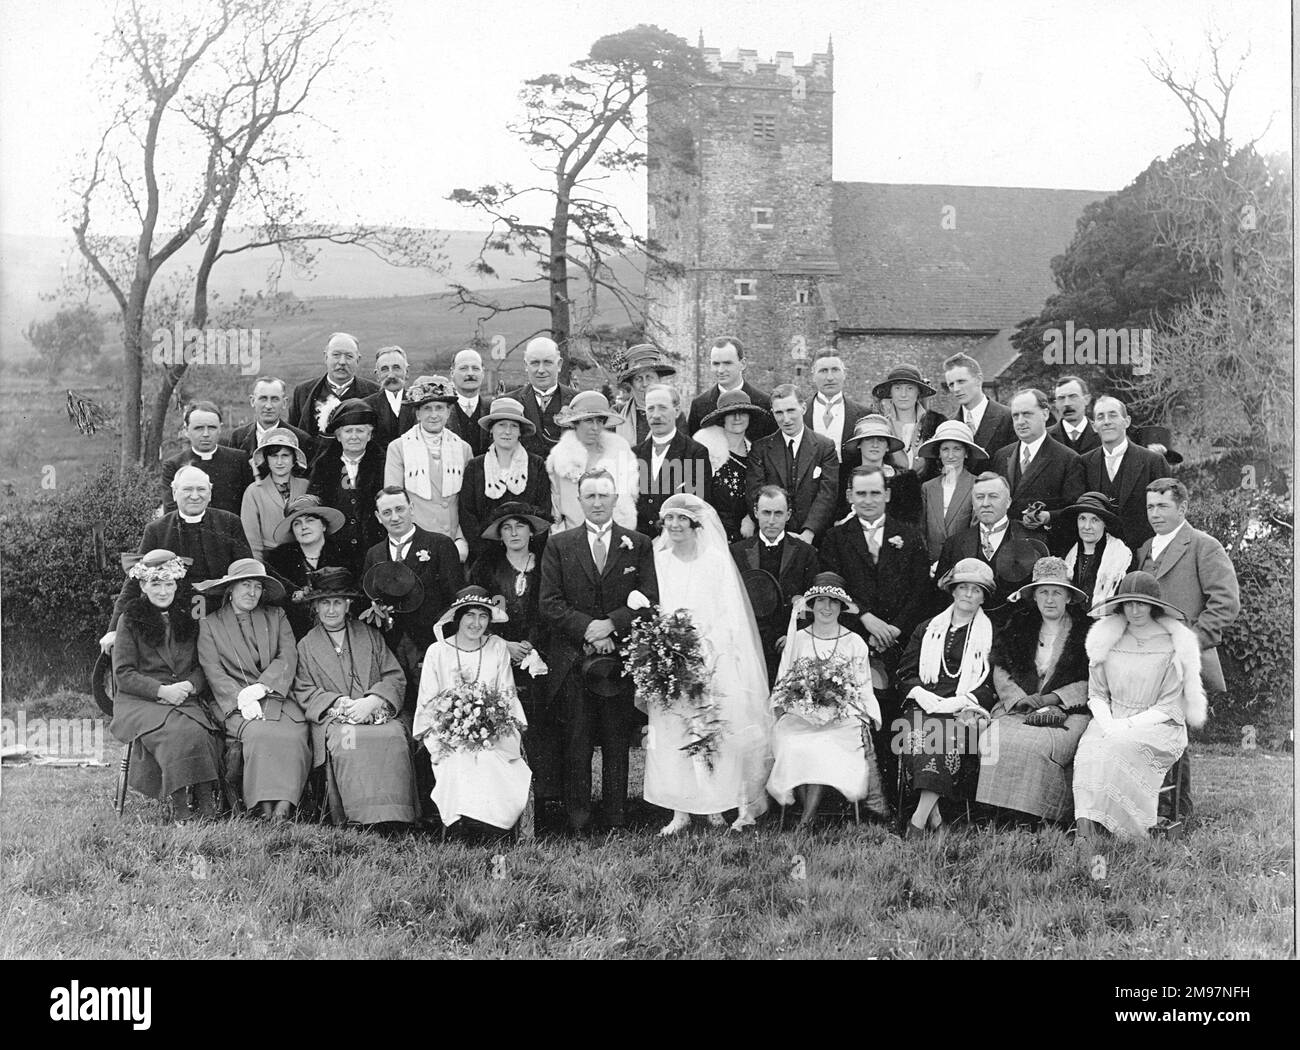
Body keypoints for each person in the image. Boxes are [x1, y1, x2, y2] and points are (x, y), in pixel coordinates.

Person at [538, 469, 659, 833]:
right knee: (577, 741)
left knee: (616, 740)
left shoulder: (637, 543)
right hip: (575, 660)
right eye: (589, 496)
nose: (597, 502)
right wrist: (588, 628)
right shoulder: (560, 544)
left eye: (603, 495)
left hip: (619, 662)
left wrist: (612, 625)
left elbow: (650, 600)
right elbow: (549, 602)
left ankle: (616, 818)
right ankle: (578, 819)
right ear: (579, 501)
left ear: (616, 499)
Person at [646, 493, 773, 834]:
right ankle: (681, 811)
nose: (674, 525)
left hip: (711, 656)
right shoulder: (659, 559)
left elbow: (729, 613)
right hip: (671, 658)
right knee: (675, 730)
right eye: (669, 519)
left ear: (694, 523)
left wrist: (705, 650)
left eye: (681, 519)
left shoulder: (715, 560)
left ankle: (716, 804)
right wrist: (668, 650)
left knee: (712, 728)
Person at [1134, 477, 1240, 824]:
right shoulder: (1145, 549)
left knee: (1172, 729)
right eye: (1150, 506)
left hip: (1184, 659)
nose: (1155, 513)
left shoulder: (1203, 545)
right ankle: (1152, 805)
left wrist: (1189, 645)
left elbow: (1225, 603)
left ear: (1183, 508)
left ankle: (1178, 809)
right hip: (1146, 656)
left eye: (1163, 506)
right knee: (1148, 730)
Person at [819, 465, 931, 789]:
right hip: (854, 636)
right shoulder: (836, 537)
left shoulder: (909, 535)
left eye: (875, 493)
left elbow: (920, 590)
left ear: (888, 495)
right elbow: (831, 590)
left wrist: (895, 628)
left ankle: (900, 789)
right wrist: (864, 616)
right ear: (850, 496)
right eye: (861, 493)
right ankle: (861, 787)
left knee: (901, 705)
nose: (868, 500)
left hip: (901, 641)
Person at [1073, 571, 1206, 839]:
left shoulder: (1171, 644)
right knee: (1089, 750)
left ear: (1153, 606)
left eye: (1141, 603)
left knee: (1120, 747)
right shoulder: (1106, 640)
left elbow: (1170, 704)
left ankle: (1127, 831)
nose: (1134, 610)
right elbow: (1096, 693)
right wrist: (1109, 723)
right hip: (1110, 719)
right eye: (1129, 603)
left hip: (1159, 724)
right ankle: (1087, 830)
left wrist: (1129, 725)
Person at [291, 567, 417, 829]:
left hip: (376, 711)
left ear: (348, 604)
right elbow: (303, 689)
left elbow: (394, 677)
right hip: (338, 718)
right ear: (315, 606)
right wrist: (338, 702)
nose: (331, 610)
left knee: (394, 737)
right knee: (349, 743)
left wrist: (372, 700)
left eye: (337, 602)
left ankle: (396, 816)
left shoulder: (369, 635)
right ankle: (356, 817)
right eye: (324, 603)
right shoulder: (305, 645)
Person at [975, 557, 1091, 825]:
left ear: (1068, 597)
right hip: (1017, 709)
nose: (1050, 599)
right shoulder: (1018, 624)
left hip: (1067, 713)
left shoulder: (1086, 631)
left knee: (1038, 745)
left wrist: (1053, 698)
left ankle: (1036, 816)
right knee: (996, 740)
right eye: (1043, 592)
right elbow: (1000, 669)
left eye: (1057, 592)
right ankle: (996, 815)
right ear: (1035, 596)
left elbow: (1094, 678)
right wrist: (1019, 699)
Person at [109, 550, 222, 820]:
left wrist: (190, 686)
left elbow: (202, 664)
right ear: (143, 585)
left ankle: (206, 803)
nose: (163, 591)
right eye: (156, 584)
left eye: (169, 583)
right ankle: (182, 806)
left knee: (201, 731)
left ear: (177, 584)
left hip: (184, 696)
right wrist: (160, 691)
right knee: (176, 732)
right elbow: (123, 673)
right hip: (142, 700)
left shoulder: (190, 616)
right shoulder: (129, 619)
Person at [766, 573, 885, 829]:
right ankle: (809, 815)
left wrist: (848, 709)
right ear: (812, 604)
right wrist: (793, 705)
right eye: (821, 600)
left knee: (823, 744)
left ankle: (807, 820)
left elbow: (862, 685)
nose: (827, 607)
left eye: (833, 601)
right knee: (792, 743)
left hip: (841, 717)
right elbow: (784, 680)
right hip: (801, 715)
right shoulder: (797, 639)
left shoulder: (854, 642)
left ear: (842, 607)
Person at [195, 559, 307, 820]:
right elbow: (212, 670)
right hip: (235, 704)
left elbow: (288, 655)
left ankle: (283, 807)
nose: (252, 592)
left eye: (257, 586)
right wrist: (241, 697)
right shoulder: (210, 624)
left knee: (293, 735)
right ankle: (262, 808)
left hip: (276, 696)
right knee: (259, 735)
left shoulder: (276, 616)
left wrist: (263, 686)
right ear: (230, 589)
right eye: (245, 585)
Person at [413, 587, 532, 833]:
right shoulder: (438, 652)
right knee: (458, 758)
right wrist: (454, 725)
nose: (476, 623)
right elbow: (428, 701)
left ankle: (492, 826)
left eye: (483, 616)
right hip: (446, 730)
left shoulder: (497, 648)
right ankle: (460, 824)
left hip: (493, 729)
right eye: (470, 615)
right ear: (458, 617)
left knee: (489, 757)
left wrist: (489, 724)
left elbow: (506, 693)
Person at [469, 503, 559, 817]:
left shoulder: (548, 563)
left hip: (540, 656)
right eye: (507, 528)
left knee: (540, 728)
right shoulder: (486, 567)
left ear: (531, 530)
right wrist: (502, 644)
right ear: (500, 535)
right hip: (497, 654)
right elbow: (473, 612)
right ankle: (501, 800)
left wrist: (534, 646)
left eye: (520, 526)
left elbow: (553, 608)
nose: (514, 533)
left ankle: (544, 803)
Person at [897, 558, 997, 835]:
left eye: (976, 590)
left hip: (964, 709)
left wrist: (964, 701)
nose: (968, 594)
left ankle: (916, 821)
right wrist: (922, 694)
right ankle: (936, 819)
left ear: (983, 598)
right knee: (920, 735)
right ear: (952, 590)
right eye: (963, 587)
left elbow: (991, 683)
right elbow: (905, 672)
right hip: (923, 703)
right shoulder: (927, 628)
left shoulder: (990, 635)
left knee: (943, 740)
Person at [101, 466, 252, 649]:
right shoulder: (157, 529)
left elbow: (247, 571)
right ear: (174, 493)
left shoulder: (230, 522)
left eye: (201, 489)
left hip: (221, 611)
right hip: (176, 615)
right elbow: (134, 579)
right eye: (187, 489)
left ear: (210, 494)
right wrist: (113, 629)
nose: (195, 496)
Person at [729, 485, 819, 681]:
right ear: (755, 513)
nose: (771, 520)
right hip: (749, 646)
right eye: (766, 513)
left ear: (788, 515)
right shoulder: (737, 552)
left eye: (778, 513)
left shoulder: (806, 553)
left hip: (790, 645)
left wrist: (795, 636)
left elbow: (812, 600)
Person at [383, 375, 472, 562]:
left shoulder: (463, 448)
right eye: (427, 408)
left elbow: (468, 502)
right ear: (417, 414)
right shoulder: (399, 448)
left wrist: (461, 539)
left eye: (440, 408)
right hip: (416, 544)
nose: (434, 415)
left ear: (448, 412)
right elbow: (394, 502)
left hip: (454, 543)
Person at [989, 388, 1085, 552]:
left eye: (1027, 414)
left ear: (1045, 414)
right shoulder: (1001, 456)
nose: (1020, 421)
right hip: (1004, 552)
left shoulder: (1068, 459)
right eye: (1015, 416)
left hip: (1045, 550)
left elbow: (1075, 511)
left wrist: (1048, 517)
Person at [459, 397, 552, 564]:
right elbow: (467, 512)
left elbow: (543, 508)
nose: (507, 431)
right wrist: (484, 551)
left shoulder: (536, 464)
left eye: (513, 426)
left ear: (520, 432)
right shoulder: (475, 466)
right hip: (485, 555)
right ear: (491, 429)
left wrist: (528, 548)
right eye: (501, 425)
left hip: (528, 553)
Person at [745, 383, 840, 545]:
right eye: (779, 413)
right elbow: (755, 492)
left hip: (813, 538)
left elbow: (827, 494)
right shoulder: (760, 448)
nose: (786, 419)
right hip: (773, 537)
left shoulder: (825, 447)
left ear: (803, 408)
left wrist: (808, 533)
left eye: (791, 410)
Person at [934, 472, 1044, 610]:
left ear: (1008, 502)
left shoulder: (1034, 539)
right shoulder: (954, 543)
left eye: (993, 496)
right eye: (979, 497)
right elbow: (940, 597)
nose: (985, 503)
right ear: (973, 503)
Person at [308, 398, 387, 573]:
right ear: (338, 435)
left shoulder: (384, 463)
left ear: (370, 434)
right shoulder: (323, 466)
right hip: (334, 550)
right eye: (348, 431)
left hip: (375, 548)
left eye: (360, 430)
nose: (354, 436)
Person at [1080, 396, 1169, 550]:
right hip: (1098, 555)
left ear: (1126, 421)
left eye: (1113, 415)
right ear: (1094, 426)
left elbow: (1166, 511)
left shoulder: (1153, 462)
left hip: (1142, 553)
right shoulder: (1083, 463)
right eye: (1101, 417)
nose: (1107, 421)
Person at [546, 390, 639, 533]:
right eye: (588, 420)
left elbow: (631, 497)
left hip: (615, 537)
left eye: (600, 421)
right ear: (575, 423)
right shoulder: (560, 461)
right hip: (574, 539)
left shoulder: (620, 454)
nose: (595, 427)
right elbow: (555, 512)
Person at [263, 496, 349, 639]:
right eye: (297, 523)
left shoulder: (345, 554)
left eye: (310, 520)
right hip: (294, 634)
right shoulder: (277, 560)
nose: (304, 527)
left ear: (323, 525)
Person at [632, 383, 712, 538]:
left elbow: (696, 505)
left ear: (676, 411)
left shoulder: (694, 452)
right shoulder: (634, 453)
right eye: (650, 408)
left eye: (662, 407)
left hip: (677, 541)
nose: (656, 415)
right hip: (641, 543)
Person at [692, 388, 769, 542]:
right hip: (711, 534)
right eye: (731, 413)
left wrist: (751, 517)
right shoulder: (706, 452)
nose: (737, 418)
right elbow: (696, 499)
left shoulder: (755, 453)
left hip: (747, 534)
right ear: (722, 418)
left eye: (743, 412)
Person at [161, 401, 254, 516]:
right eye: (199, 428)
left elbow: (250, 505)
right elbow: (171, 512)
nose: (206, 434)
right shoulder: (173, 466)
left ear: (220, 428)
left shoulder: (239, 460)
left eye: (212, 428)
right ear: (186, 430)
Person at [288, 332, 380, 443]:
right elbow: (292, 434)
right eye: (336, 355)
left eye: (349, 356)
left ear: (358, 360)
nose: (342, 362)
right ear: (326, 357)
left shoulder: (374, 392)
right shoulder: (303, 392)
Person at [917, 419, 986, 563]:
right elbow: (922, 529)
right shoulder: (928, 487)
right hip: (931, 563)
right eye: (945, 449)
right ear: (939, 454)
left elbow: (976, 530)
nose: (950, 455)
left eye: (957, 449)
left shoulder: (977, 484)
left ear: (966, 453)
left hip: (963, 561)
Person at [685, 336, 775, 440]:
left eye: (727, 363)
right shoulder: (699, 404)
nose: (721, 370)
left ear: (743, 364)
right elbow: (693, 451)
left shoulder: (764, 402)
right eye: (716, 364)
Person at [240, 427, 310, 560]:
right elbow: (251, 539)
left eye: (285, 455)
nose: (279, 462)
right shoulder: (254, 491)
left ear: (294, 459)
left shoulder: (305, 486)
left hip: (304, 556)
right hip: (270, 558)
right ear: (266, 459)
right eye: (274, 456)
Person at [839, 414, 922, 526]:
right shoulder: (843, 476)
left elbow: (912, 522)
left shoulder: (906, 479)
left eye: (881, 440)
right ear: (859, 444)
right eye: (868, 439)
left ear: (888, 446)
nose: (875, 445)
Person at [1059, 492, 1132, 614]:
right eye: (1082, 518)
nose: (1087, 526)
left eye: (1095, 520)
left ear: (1105, 523)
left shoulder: (1120, 556)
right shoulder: (1069, 556)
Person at [506, 336, 576, 460]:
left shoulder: (577, 401)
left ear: (559, 364)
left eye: (547, 362)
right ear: (525, 365)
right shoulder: (509, 402)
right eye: (535, 363)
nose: (541, 370)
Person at [869, 365, 946, 478]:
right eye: (897, 388)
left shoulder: (937, 424)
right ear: (890, 392)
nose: (903, 394)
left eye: (910, 388)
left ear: (918, 392)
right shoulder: (880, 426)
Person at [222, 376, 314, 463]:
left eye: (274, 399)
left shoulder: (301, 439)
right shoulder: (238, 437)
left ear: (284, 403)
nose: (268, 406)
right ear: (252, 401)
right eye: (263, 399)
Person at [804, 349, 872, 463]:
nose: (830, 377)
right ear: (813, 376)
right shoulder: (799, 412)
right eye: (823, 371)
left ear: (844, 374)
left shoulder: (864, 414)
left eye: (835, 370)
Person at [942, 352, 1015, 456]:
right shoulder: (950, 425)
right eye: (951, 384)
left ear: (978, 380)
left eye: (961, 381)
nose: (956, 389)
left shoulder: (1008, 417)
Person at [362, 346, 419, 453]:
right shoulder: (366, 406)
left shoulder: (418, 402)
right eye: (384, 369)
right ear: (377, 375)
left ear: (407, 372)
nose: (391, 375)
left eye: (396, 368)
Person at [446, 348, 491, 457]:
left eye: (475, 368)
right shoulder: (442, 410)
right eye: (463, 368)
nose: (470, 373)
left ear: (483, 373)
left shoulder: (492, 410)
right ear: (452, 373)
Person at [1047, 375, 1100, 456]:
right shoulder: (1045, 438)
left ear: (1086, 399)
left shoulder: (1102, 434)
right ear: (1056, 404)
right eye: (1061, 398)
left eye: (1073, 397)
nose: (1067, 403)